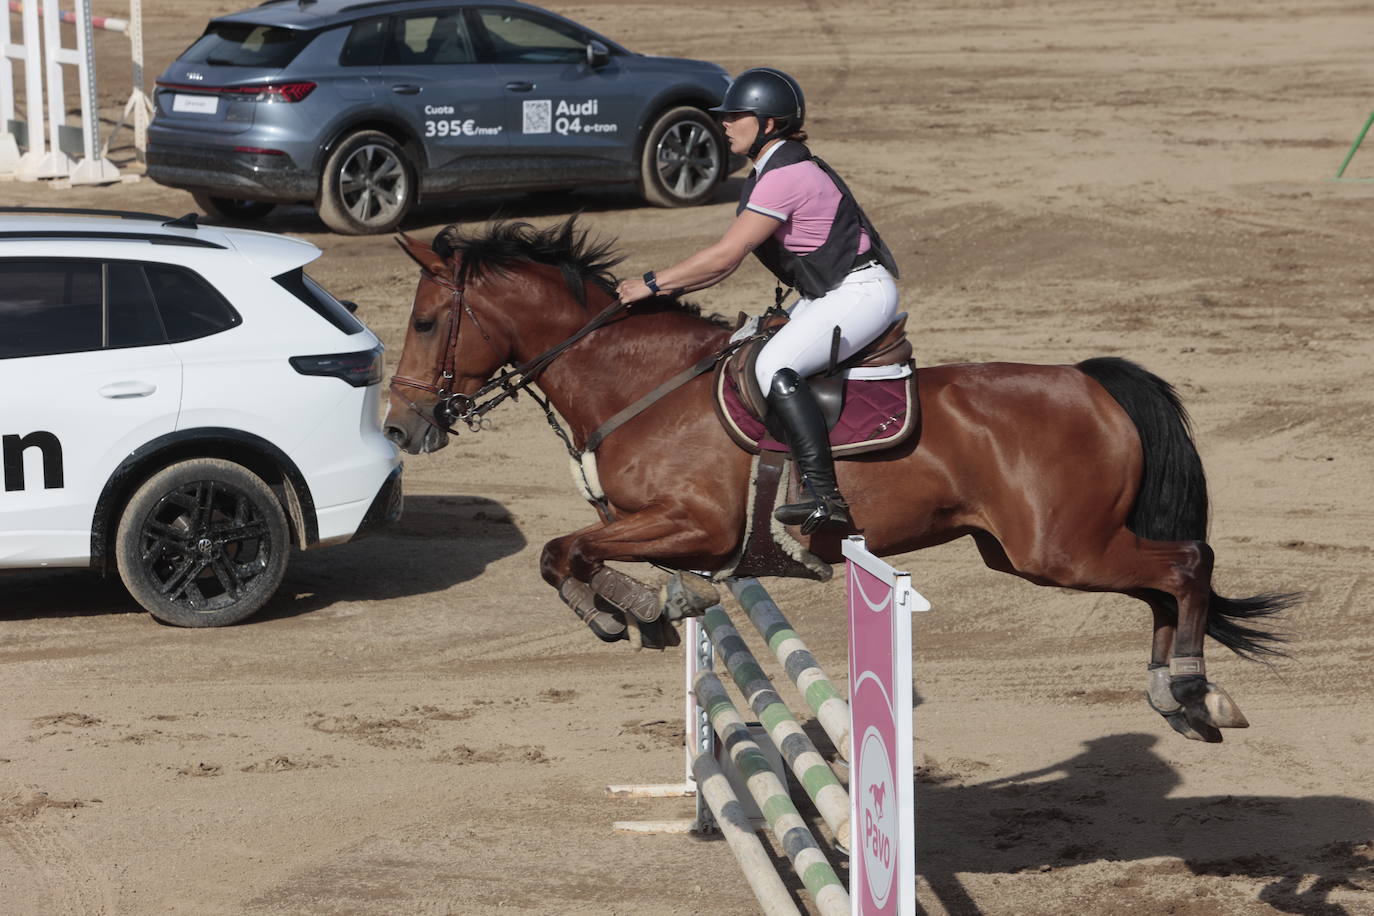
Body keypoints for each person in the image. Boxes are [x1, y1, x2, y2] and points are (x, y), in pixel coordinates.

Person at [615, 67, 900, 533]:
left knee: (773, 367)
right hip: (831, 291)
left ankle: (824, 496)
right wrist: (668, 290)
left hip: (858, 292)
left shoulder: (785, 176)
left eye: (735, 116)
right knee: (747, 347)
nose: (724, 123)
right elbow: (725, 265)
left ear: (768, 123)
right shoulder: (773, 168)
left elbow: (725, 255)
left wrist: (651, 282)